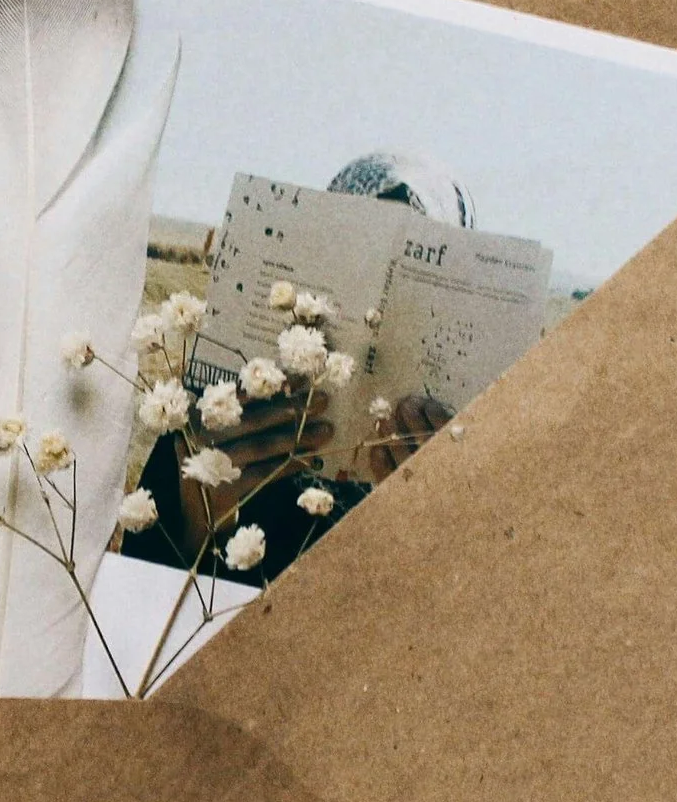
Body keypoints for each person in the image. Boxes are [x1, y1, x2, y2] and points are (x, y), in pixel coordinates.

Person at [126, 150, 468, 582]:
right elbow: (135, 600)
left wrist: (449, 523)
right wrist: (200, 523)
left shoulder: (461, 453)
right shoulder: (218, 420)